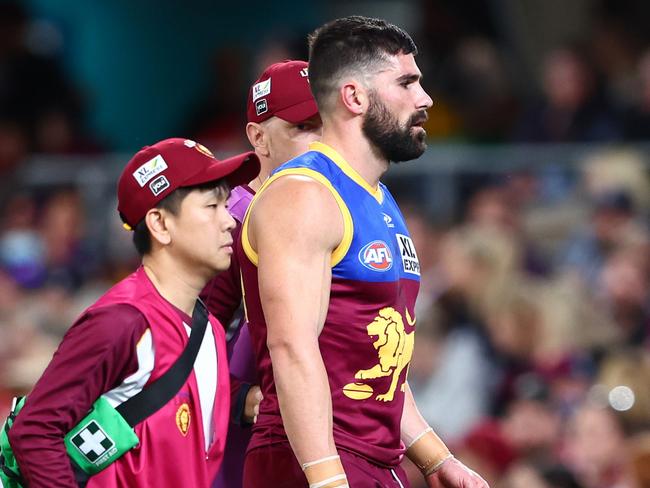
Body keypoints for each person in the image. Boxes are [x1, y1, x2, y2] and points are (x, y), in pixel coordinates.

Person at [239, 16, 488, 488]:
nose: (425, 98)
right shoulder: (304, 194)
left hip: (373, 458)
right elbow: (292, 348)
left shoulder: (378, 197)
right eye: (407, 82)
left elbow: (378, 361)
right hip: (313, 459)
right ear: (354, 97)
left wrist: (437, 459)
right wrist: (327, 478)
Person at [8, 137, 260, 487]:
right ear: (159, 224)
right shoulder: (123, 321)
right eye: (212, 206)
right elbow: (34, 431)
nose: (230, 221)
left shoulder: (210, 328)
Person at [202, 59, 322, 487]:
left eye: (324, 126)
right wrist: (238, 400)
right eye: (301, 127)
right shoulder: (232, 216)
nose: (318, 142)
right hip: (257, 433)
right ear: (258, 137)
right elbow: (193, 331)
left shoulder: (341, 203)